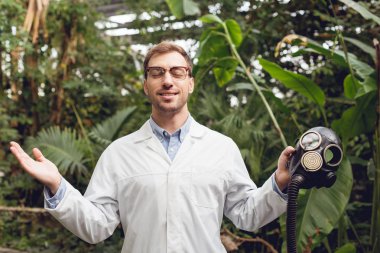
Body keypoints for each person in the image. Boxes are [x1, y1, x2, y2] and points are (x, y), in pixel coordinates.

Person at [10, 41, 295, 253]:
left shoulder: (222, 148)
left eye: (177, 72)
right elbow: (96, 227)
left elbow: (248, 215)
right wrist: (58, 186)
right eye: (157, 72)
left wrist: (280, 183)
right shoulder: (119, 154)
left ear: (190, 83)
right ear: (146, 85)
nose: (167, 80)